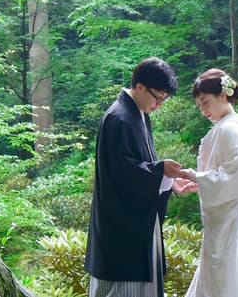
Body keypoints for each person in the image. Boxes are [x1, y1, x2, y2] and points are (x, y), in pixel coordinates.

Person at [85, 57, 192, 297]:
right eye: (158, 97)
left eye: (164, 99)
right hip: (122, 226)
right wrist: (160, 170)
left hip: (136, 221)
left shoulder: (137, 114)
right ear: (140, 86)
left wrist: (170, 181)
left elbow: (140, 167)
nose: (159, 104)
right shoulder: (120, 118)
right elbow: (123, 173)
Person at [179, 68, 238, 297]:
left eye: (205, 102)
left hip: (234, 223)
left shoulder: (230, 129)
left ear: (223, 95)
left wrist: (194, 175)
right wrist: (201, 183)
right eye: (200, 105)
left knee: (226, 283)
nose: (203, 110)